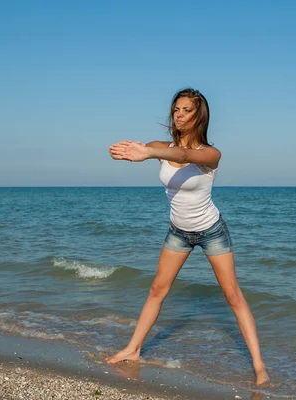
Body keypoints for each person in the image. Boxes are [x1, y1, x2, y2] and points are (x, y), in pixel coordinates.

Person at [106, 88, 269, 386]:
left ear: (199, 115)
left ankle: (259, 367)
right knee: (157, 289)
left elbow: (183, 154)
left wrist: (150, 152)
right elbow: (149, 150)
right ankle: (133, 349)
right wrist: (127, 151)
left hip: (211, 231)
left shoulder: (210, 154)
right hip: (178, 232)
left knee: (233, 296)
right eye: (176, 110)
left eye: (186, 111)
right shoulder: (161, 146)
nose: (179, 115)